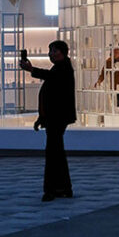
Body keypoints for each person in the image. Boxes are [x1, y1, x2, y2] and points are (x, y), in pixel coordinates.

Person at [21, 40, 76, 201]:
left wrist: (31, 69)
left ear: (62, 52)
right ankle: (63, 188)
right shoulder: (62, 67)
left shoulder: (63, 68)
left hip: (57, 117)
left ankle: (52, 189)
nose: (50, 54)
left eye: (53, 51)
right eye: (50, 50)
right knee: (56, 153)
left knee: (53, 154)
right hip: (56, 117)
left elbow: (50, 78)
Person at [95, 45, 119, 112]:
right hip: (115, 88)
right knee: (115, 108)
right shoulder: (109, 61)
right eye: (114, 51)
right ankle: (116, 121)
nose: (115, 53)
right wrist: (99, 81)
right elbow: (103, 73)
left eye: (117, 51)